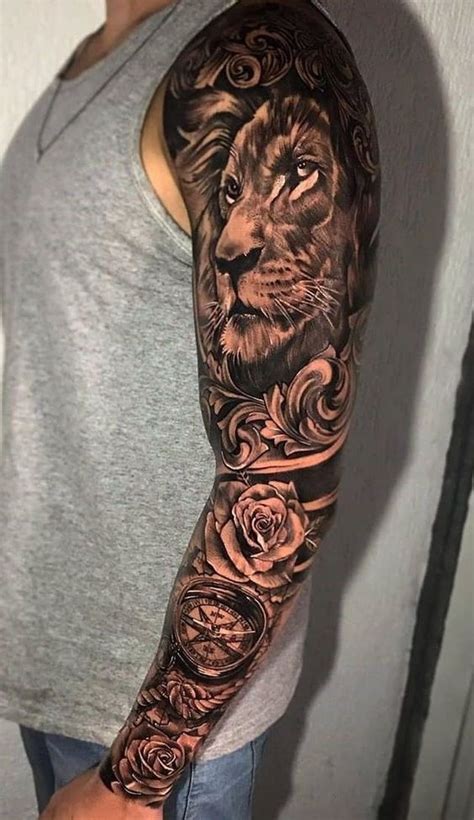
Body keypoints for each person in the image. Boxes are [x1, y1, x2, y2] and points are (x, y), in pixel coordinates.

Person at [0, 0, 380, 817]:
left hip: (156, 728)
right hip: (59, 659)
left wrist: (132, 783)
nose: (243, 237)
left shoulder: (257, 55)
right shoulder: (96, 57)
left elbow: (282, 477)